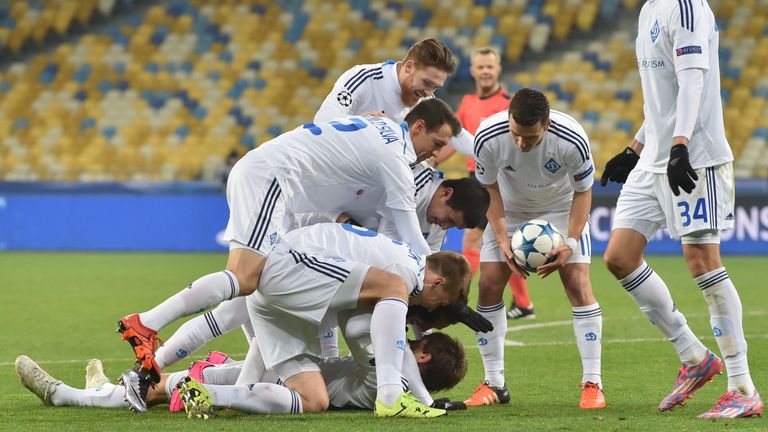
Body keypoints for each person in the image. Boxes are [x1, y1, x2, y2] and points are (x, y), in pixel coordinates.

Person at [117, 99, 462, 384]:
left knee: (244, 297)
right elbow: (412, 236)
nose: (435, 154)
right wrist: (440, 276)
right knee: (243, 279)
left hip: (278, 190)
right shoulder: (397, 161)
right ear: (418, 128)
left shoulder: (382, 127)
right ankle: (147, 323)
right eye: (436, 143)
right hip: (273, 179)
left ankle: (161, 372)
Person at [140, 162, 489, 373]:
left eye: (453, 228)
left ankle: (171, 371)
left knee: (289, 335)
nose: (445, 227)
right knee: (235, 313)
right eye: (450, 220)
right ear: (444, 194)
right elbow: (335, 199)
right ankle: (152, 366)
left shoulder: (427, 229)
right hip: (299, 243)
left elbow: (423, 287)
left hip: (328, 262)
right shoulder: (400, 180)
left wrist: (452, 310)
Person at [600, 0, 761, 419]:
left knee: (702, 260)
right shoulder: (648, 10)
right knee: (619, 257)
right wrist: (635, 148)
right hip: (654, 155)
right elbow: (663, 95)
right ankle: (694, 357)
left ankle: (743, 387)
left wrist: (680, 145)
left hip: (695, 156)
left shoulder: (686, 8)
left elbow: (694, 82)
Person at [466, 88, 605, 409]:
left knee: (578, 283)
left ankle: (593, 383)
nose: (521, 143)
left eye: (530, 138)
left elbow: (584, 193)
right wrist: (501, 238)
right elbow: (488, 187)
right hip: (509, 210)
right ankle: (494, 383)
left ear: (547, 124)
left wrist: (570, 243)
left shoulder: (572, 140)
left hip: (559, 209)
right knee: (488, 284)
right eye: (516, 134)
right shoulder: (488, 135)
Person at [15, 329, 467, 415]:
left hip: (287, 381)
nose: (407, 336)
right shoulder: (398, 382)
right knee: (159, 388)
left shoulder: (385, 370)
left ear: (421, 358)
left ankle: (63, 395)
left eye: (418, 341)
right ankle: (95, 389)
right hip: (286, 368)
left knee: (163, 389)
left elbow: (360, 328)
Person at [434, 46, 534, 321]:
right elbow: (455, 140)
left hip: (499, 180)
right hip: (474, 178)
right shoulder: (467, 102)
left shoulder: (510, 104)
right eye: (481, 66)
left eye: (490, 66)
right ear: (473, 70)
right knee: (500, 244)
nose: (486, 71)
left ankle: (455, 296)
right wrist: (431, 161)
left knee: (476, 239)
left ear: (498, 69)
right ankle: (524, 304)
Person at [315, 37, 476, 158]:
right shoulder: (363, 77)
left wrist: (490, 153)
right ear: (409, 67)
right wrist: (362, 123)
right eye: (426, 83)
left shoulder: (426, 102)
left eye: (435, 87)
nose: (429, 92)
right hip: (338, 164)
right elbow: (322, 120)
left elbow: (457, 134)